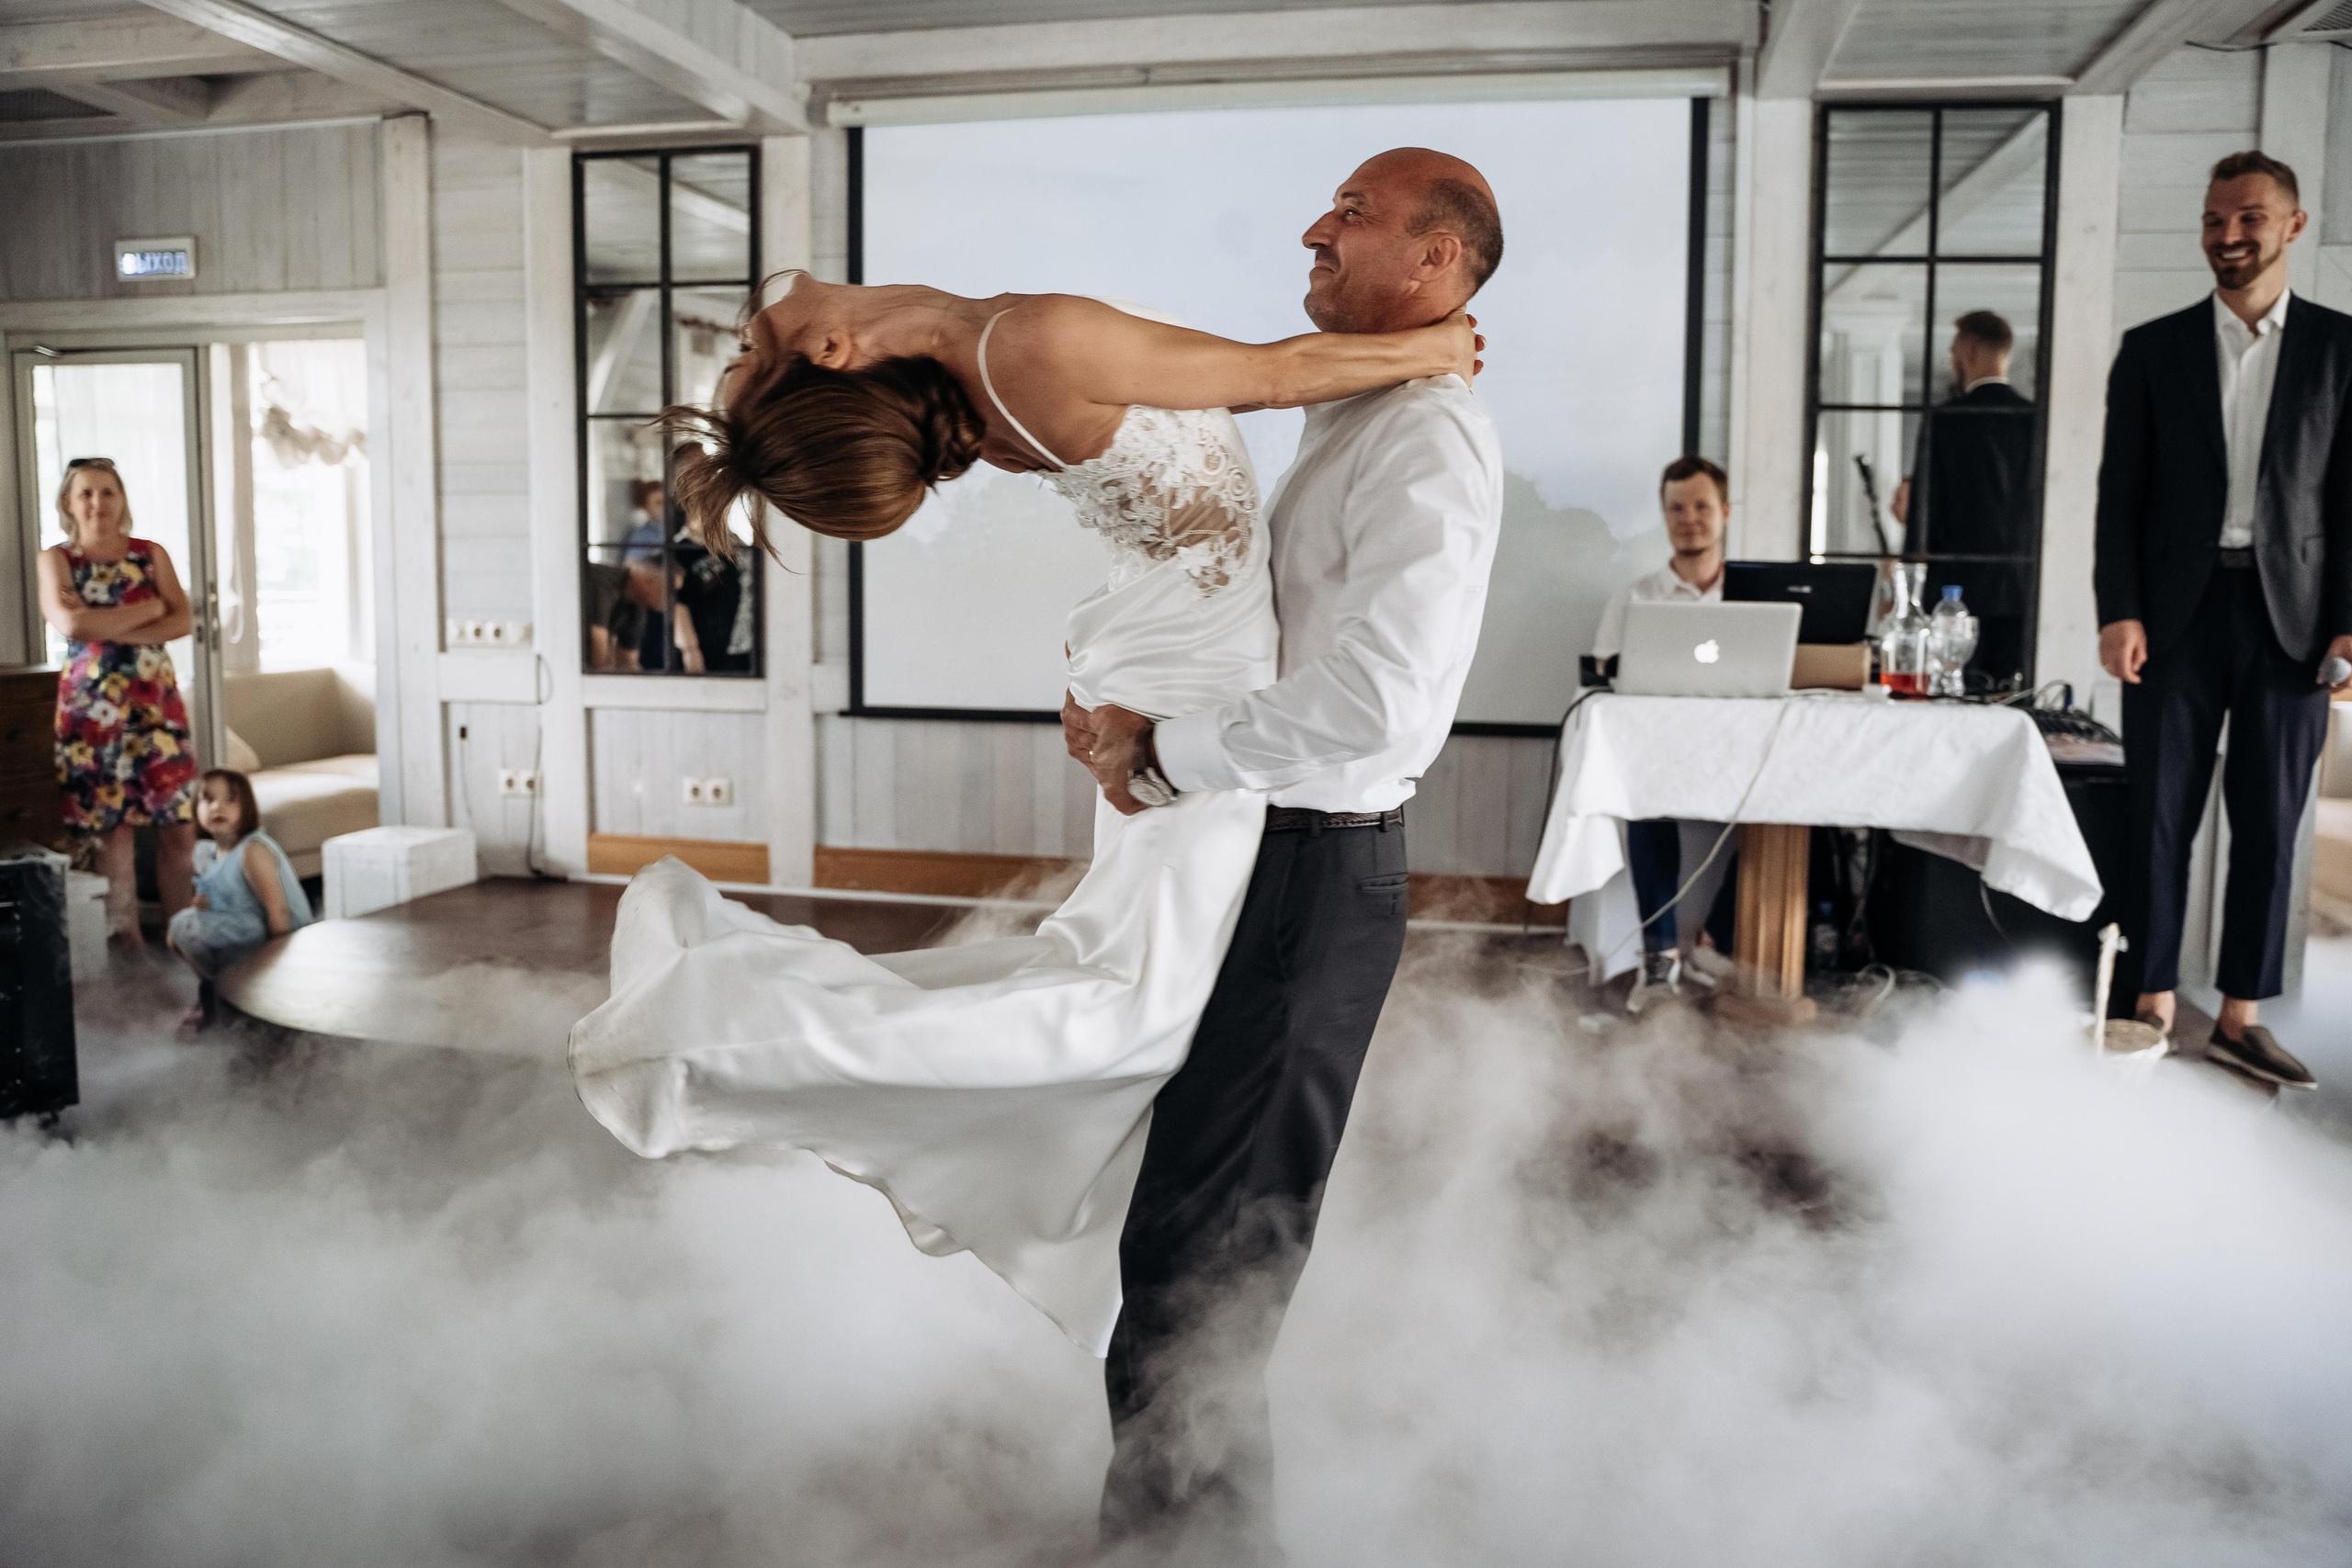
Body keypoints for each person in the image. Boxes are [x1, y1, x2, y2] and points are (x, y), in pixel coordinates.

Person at [570, 157, 1485, 1431]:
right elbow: (1272, 375)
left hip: (1217, 717)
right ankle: (741, 1038)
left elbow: (790, 303)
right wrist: (1442, 344)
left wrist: (1151, 734)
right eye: (761, 352)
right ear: (841, 352)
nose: (751, 339)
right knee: (1138, 1066)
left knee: (1150, 1077)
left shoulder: (973, 339)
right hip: (1201, 702)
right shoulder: (1025, 341)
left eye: (1354, 214)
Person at [1069, 148, 1503, 1562]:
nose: (1314, 228)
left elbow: (1378, 703)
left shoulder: (1428, 439)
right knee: (1179, 1255)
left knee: (1205, 1287)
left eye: (1356, 215)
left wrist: (1163, 751)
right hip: (1260, 863)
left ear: (1438, 263)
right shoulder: (1357, 408)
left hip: (1315, 882)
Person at [2094, 149, 2352, 1091]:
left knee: (2270, 826)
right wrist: (2117, 610)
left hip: (2293, 623)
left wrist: (2349, 625)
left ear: (2293, 225)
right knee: (2155, 818)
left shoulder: (2340, 348)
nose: (2227, 236)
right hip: (2171, 619)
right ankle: (2150, 1003)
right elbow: (2117, 495)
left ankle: (2240, 1016)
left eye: (2247, 218)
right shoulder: (2151, 348)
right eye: (2212, 220)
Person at [1589, 456, 1738, 1012]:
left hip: (1736, 750)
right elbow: (1603, 668)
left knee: (1796, 802)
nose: (1689, 519)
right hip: (1661, 751)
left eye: (1702, 506)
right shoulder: (1634, 596)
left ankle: (1715, 939)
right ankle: (1660, 959)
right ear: (1664, 515)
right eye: (1677, 507)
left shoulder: (1756, 595)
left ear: (1724, 512)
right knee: (1643, 801)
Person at [36, 457, 199, 942]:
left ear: (122, 498)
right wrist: (148, 608)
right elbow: (72, 626)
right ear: (68, 502)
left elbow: (183, 622)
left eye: (107, 492)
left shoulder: (152, 554)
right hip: (90, 715)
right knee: (113, 832)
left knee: (179, 828)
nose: (97, 503)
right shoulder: (56, 560)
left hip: (157, 708)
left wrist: (104, 620)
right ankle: (126, 949)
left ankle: (185, 939)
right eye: (85, 492)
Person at [1893, 310, 2036, 687]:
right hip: (2026, 585)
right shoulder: (2036, 419)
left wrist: (1910, 588)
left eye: (1955, 349)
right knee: (2014, 695)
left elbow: (1925, 510)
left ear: (1970, 349)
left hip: (1956, 588)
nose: (1953, 359)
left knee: (1957, 694)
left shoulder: (1947, 419)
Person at [164, 768, 313, 1028]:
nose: (217, 807)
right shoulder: (206, 852)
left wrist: (284, 970)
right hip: (240, 924)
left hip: (277, 933)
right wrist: (199, 909)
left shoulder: (253, 850)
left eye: (230, 800)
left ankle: (245, 996)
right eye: (208, 800)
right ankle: (216, 989)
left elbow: (277, 910)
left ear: (247, 808)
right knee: (179, 929)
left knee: (186, 926)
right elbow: (205, 899)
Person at [617, 479, 665, 561]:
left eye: (668, 502)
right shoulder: (642, 535)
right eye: (658, 503)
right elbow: (633, 565)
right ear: (646, 507)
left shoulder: (679, 528)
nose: (665, 507)